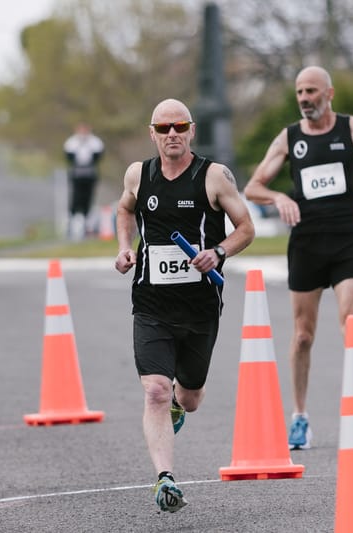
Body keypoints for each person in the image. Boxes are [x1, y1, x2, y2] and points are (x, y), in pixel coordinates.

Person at [244, 66, 353, 450]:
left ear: (329, 94)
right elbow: (252, 187)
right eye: (300, 92)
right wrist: (279, 197)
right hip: (306, 245)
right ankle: (300, 417)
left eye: (311, 91)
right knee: (302, 336)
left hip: (349, 243)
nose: (304, 98)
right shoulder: (290, 138)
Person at [115, 98, 254, 512]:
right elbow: (124, 209)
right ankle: (165, 479)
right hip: (151, 303)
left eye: (179, 126)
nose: (172, 134)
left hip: (199, 307)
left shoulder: (213, 176)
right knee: (156, 391)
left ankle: (180, 403)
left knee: (188, 397)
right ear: (152, 133)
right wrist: (124, 248)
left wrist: (219, 252)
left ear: (192, 130)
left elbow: (246, 228)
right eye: (163, 128)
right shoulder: (138, 175)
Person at [64, 123, 104, 241]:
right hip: (77, 175)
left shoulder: (95, 142)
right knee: (75, 199)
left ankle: (87, 225)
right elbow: (69, 157)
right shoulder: (72, 142)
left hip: (89, 175)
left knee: (88, 199)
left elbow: (98, 156)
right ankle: (72, 224)